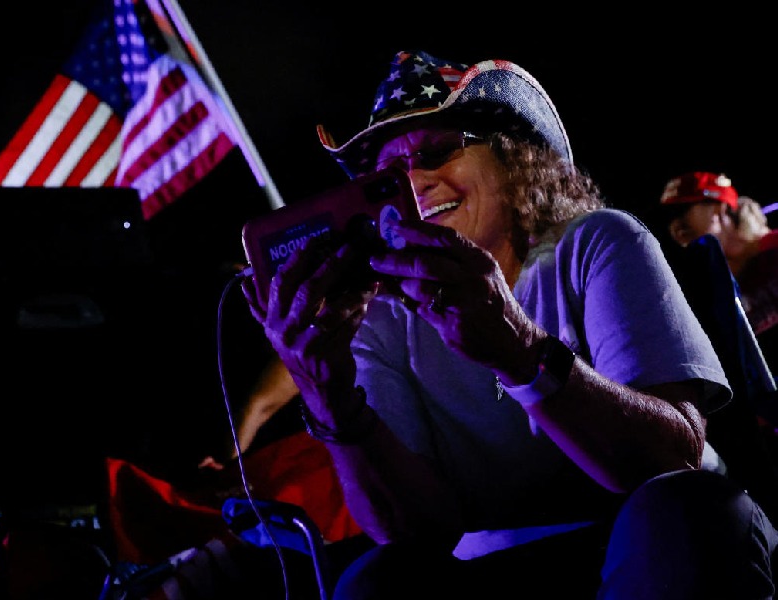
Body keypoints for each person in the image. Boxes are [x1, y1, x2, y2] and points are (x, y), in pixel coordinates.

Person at [240, 49, 778, 598]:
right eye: (386, 176)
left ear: (514, 157)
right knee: (373, 582)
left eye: (435, 152)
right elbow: (412, 533)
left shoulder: (596, 243)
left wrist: (519, 351)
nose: (414, 184)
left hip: (653, 539)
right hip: (500, 566)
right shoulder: (379, 319)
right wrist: (328, 397)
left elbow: (670, 462)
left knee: (678, 513)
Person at [659, 172, 778, 375]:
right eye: (669, 219)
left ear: (719, 209)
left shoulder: (774, 249)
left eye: (682, 211)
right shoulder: (716, 291)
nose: (675, 226)